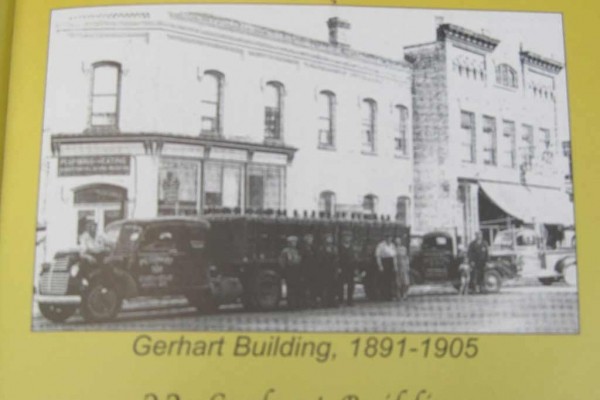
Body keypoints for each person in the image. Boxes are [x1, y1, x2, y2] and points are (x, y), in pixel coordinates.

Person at [279, 236, 303, 309]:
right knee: (291, 288)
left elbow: (298, 259)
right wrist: (285, 270)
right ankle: (291, 304)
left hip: (296, 270)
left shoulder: (296, 251)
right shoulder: (285, 251)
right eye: (293, 242)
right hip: (289, 270)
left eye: (295, 242)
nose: (294, 243)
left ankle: (296, 303)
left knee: (296, 287)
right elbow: (282, 262)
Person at [318, 232, 339, 307]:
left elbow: (337, 259)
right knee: (325, 286)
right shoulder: (322, 249)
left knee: (333, 286)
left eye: (330, 239)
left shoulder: (334, 248)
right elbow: (320, 260)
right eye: (328, 238)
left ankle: (332, 301)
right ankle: (325, 302)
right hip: (325, 270)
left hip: (332, 270)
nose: (329, 240)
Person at [338, 233, 358, 306]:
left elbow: (355, 258)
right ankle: (340, 300)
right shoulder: (340, 248)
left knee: (351, 284)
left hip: (351, 268)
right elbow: (338, 258)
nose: (347, 238)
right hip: (343, 267)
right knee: (341, 284)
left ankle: (350, 300)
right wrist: (339, 267)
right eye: (346, 237)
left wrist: (355, 268)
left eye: (349, 237)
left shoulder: (352, 248)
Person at [299, 233, 318, 308]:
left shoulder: (314, 248)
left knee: (313, 287)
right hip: (305, 270)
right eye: (308, 238)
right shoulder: (303, 248)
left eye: (311, 238)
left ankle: (313, 302)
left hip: (313, 270)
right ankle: (305, 303)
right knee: (305, 287)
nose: (310, 240)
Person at [375, 235, 397, 301]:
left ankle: (390, 296)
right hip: (384, 262)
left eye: (390, 238)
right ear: (385, 238)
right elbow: (378, 256)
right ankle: (383, 296)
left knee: (390, 280)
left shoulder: (392, 245)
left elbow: (394, 256)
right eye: (388, 238)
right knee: (384, 280)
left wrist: (395, 266)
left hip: (391, 262)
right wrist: (380, 266)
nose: (389, 239)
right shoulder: (381, 245)